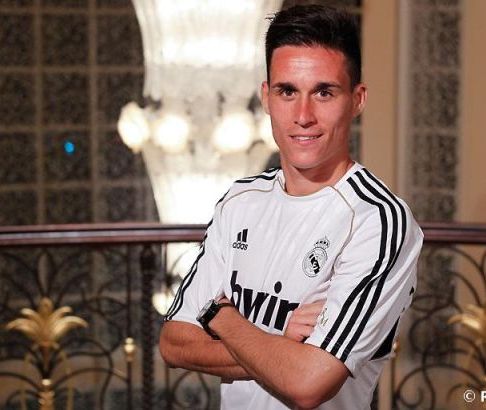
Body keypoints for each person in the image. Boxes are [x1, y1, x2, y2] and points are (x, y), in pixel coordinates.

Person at [160, 5, 423, 409]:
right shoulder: (240, 201)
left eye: (324, 92)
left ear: (357, 99)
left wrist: (220, 315)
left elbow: (308, 382)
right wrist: (280, 340)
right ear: (266, 97)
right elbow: (174, 342)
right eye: (287, 92)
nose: (303, 116)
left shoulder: (378, 220)